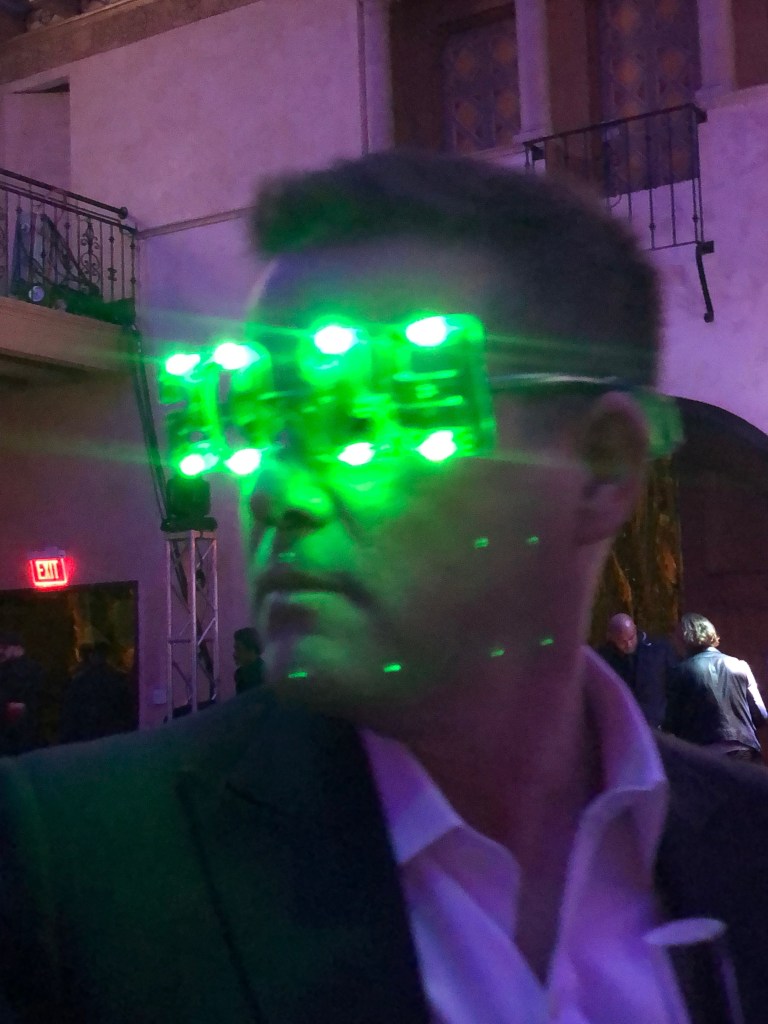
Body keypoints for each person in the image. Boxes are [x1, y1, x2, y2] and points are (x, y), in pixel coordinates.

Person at [2, 152, 768, 1024]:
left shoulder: (749, 846)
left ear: (601, 467)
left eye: (364, 416)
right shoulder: (78, 870)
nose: (275, 493)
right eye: (257, 420)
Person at [664, 612, 767, 762]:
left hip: (705, 757)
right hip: (745, 752)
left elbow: (671, 723)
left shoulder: (680, 672)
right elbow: (761, 715)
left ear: (683, 639)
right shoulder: (740, 665)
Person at [596, 612, 676, 728]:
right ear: (611, 638)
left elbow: (674, 686)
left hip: (656, 724)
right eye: (622, 641)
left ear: (635, 628)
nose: (628, 645)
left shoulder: (659, 650)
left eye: (631, 638)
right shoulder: (604, 659)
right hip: (623, 725)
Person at [59, 642, 135, 744]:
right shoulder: (119, 679)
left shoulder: (79, 680)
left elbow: (71, 712)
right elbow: (126, 708)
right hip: (113, 732)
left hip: (86, 732)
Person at [0, 632, 43, 757]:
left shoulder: (16, 671)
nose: (1, 651)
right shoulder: (33, 669)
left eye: (5, 647)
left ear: (17, 648)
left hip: (16, 731)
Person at [233, 626, 264, 694]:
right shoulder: (239, 673)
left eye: (238, 649)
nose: (234, 654)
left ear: (251, 650)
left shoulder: (266, 674)